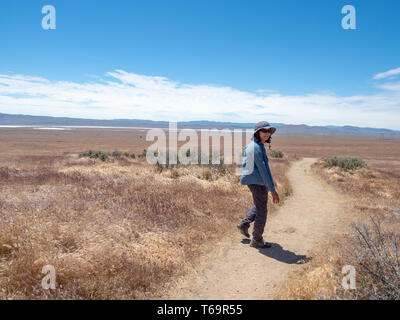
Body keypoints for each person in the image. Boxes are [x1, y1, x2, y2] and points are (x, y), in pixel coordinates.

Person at [237, 121, 280, 248]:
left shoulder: (256, 145)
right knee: (262, 210)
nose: (267, 133)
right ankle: (257, 239)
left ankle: (244, 224)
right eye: (264, 131)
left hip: (255, 180)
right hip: (257, 181)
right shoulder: (256, 148)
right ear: (257, 132)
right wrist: (272, 190)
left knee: (259, 203)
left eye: (268, 131)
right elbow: (263, 170)